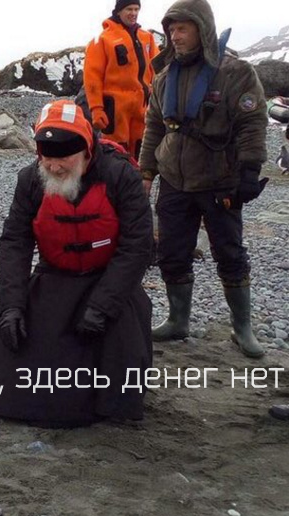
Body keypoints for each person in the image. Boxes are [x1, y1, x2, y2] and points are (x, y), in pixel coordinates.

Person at [0, 100, 153, 428]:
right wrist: (12, 305)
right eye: (47, 156)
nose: (54, 166)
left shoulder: (121, 175)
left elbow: (138, 246)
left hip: (107, 281)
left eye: (64, 156)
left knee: (116, 368)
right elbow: (15, 243)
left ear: (87, 150)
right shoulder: (30, 181)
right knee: (10, 372)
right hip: (54, 278)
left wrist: (103, 306)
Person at [138, 0, 269, 359]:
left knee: (229, 253)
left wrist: (250, 170)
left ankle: (241, 327)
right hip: (174, 181)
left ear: (202, 29)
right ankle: (178, 320)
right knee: (171, 253)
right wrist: (146, 173)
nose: (175, 36)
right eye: (171, 30)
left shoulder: (235, 73)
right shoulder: (164, 77)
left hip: (219, 181)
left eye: (183, 28)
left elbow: (252, 123)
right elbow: (153, 127)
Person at [83, 0, 158, 159]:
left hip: (142, 103)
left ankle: (138, 182)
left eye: (136, 9)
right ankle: (115, 182)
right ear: (118, 11)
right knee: (115, 150)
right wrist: (96, 109)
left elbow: (158, 68)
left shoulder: (147, 38)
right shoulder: (102, 40)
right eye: (129, 9)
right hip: (115, 107)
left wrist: (158, 96)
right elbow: (92, 77)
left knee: (142, 149)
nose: (133, 13)